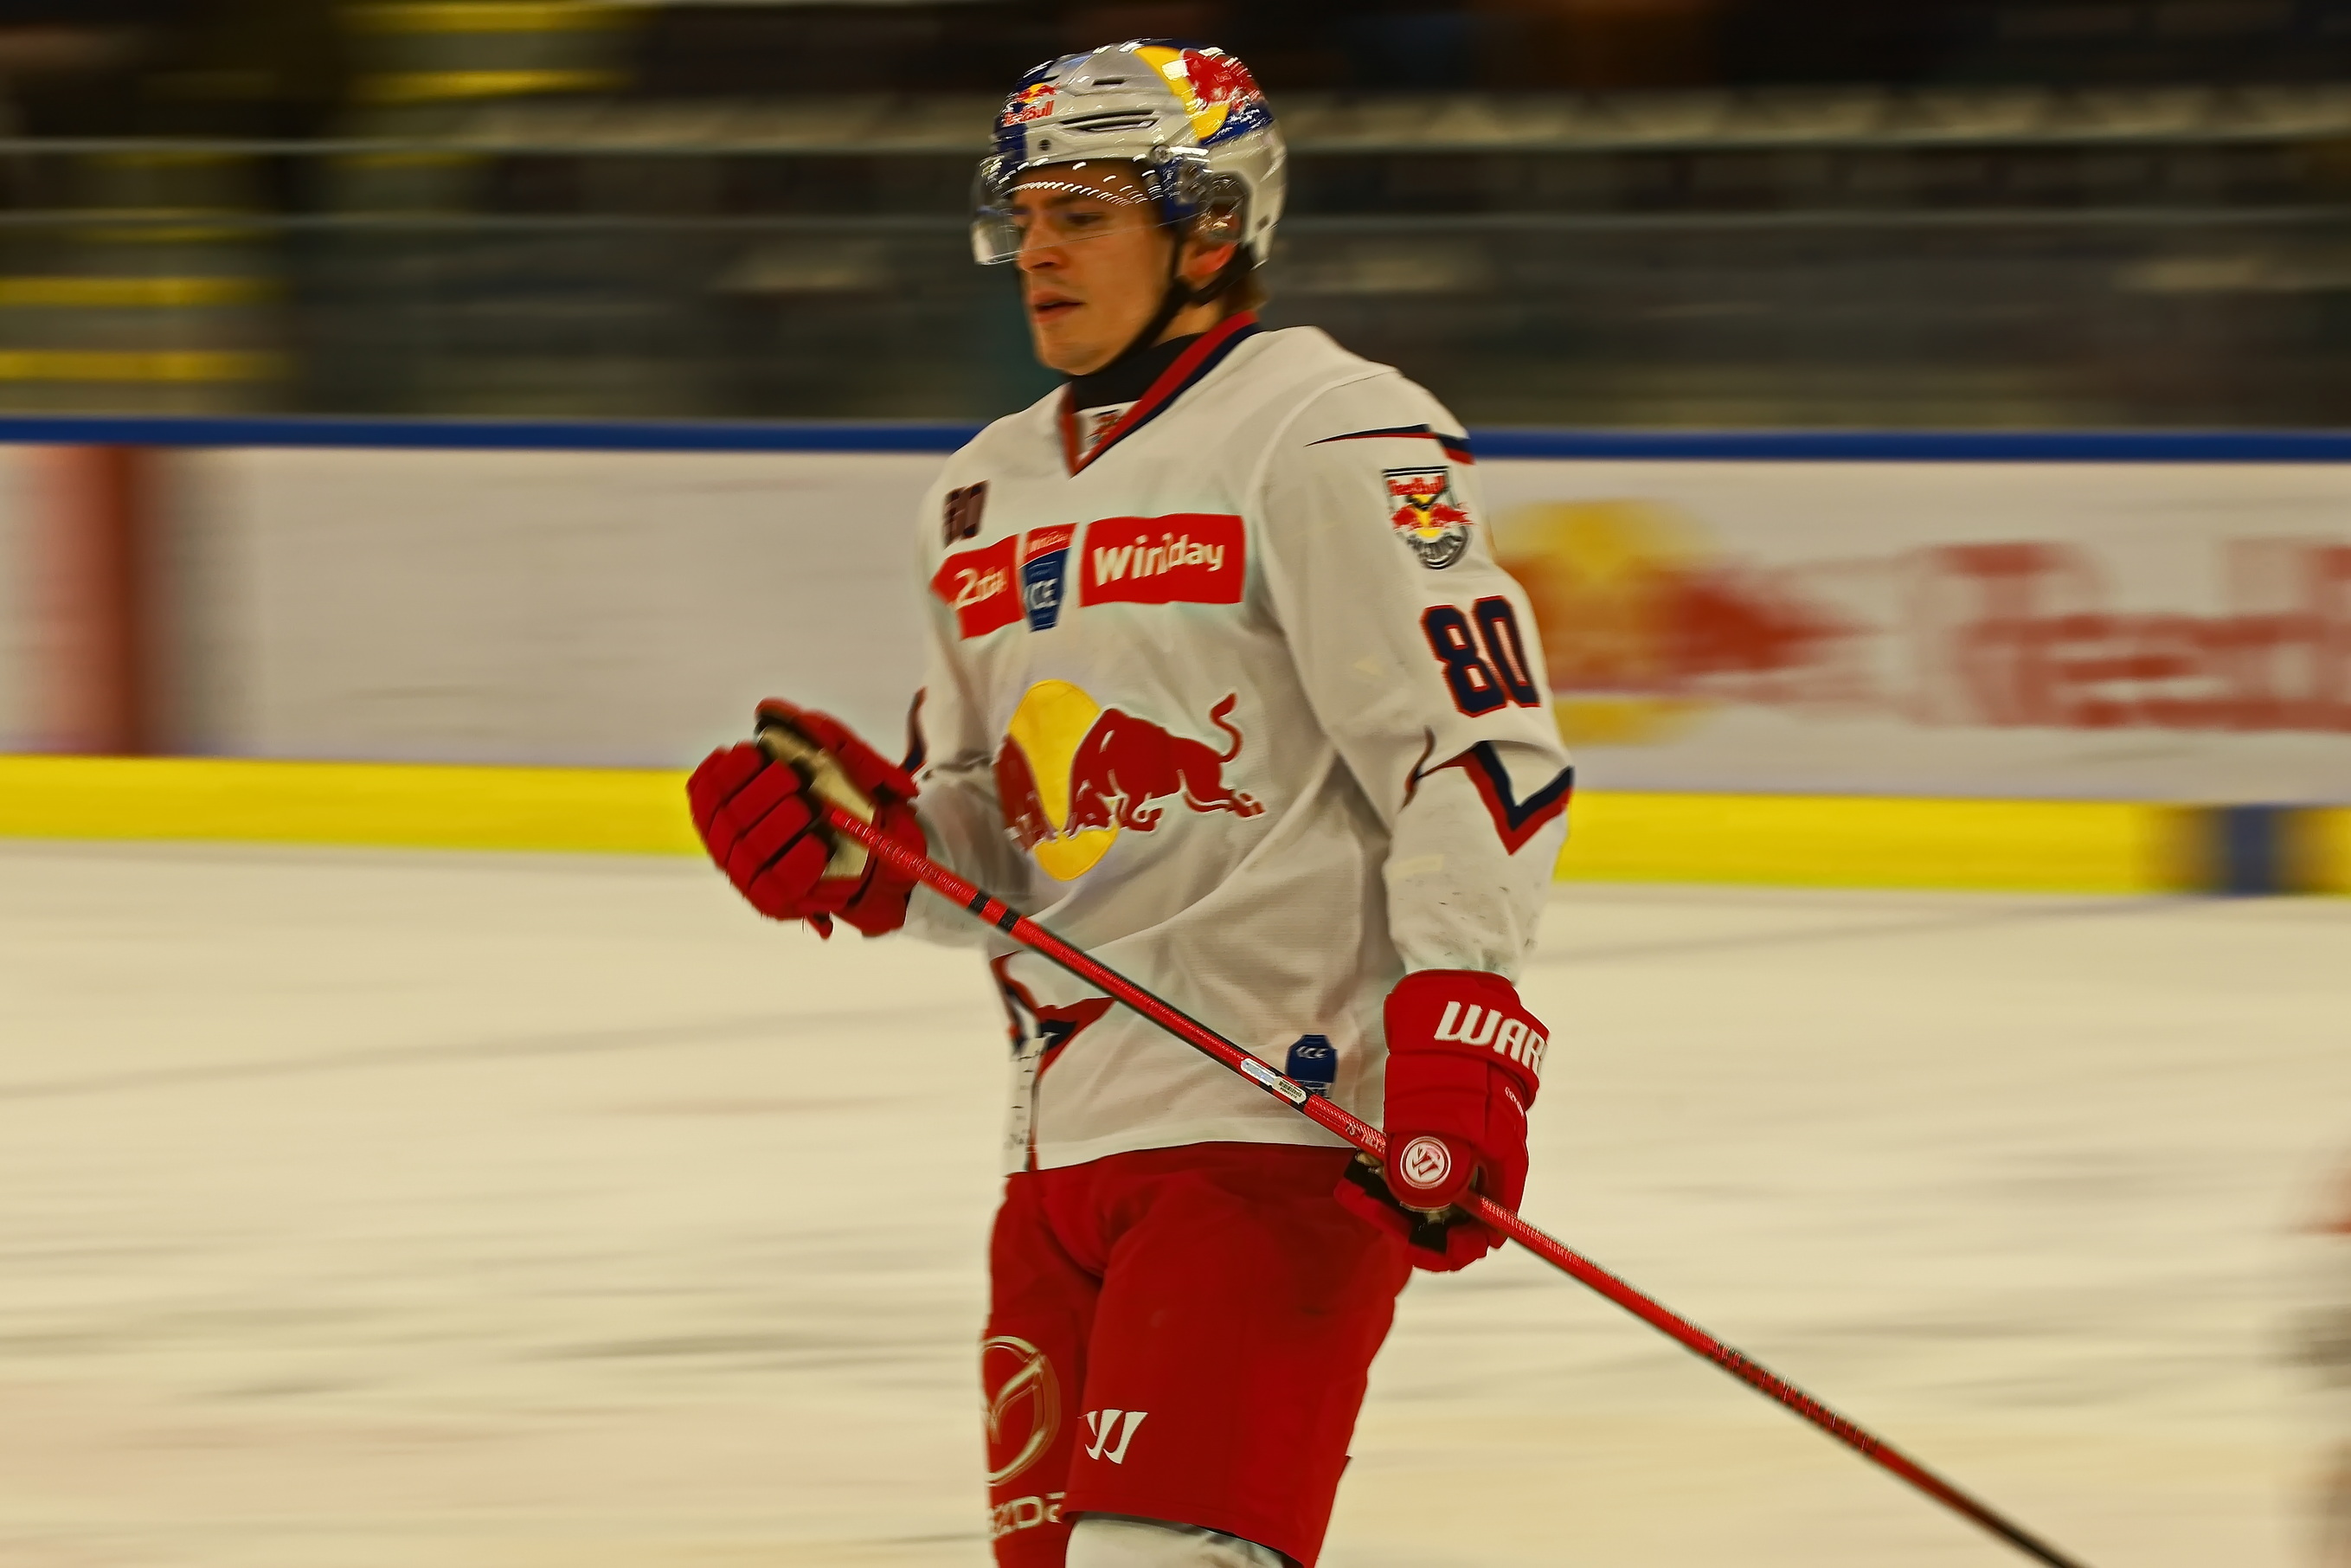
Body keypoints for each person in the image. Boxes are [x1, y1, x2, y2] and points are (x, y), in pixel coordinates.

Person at [687, 40, 1573, 1568]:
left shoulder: (1327, 427)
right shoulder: (977, 491)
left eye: (1083, 213)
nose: (1035, 248)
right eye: (1026, 213)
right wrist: (863, 852)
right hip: (1059, 1155)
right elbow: (998, 841)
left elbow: (1477, 748)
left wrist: (1462, 1021)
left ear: (1210, 227)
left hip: (1272, 1126)